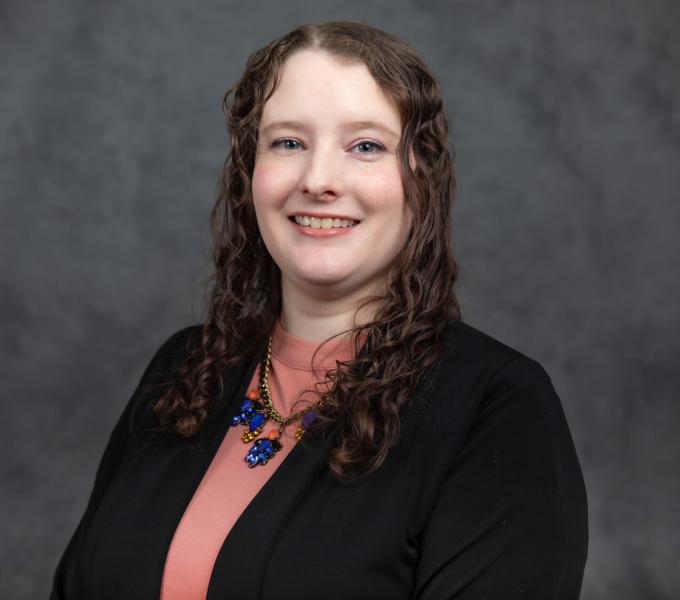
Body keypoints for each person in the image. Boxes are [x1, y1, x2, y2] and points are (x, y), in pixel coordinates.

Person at [50, 20, 588, 600]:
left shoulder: (496, 405)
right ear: (248, 175)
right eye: (288, 142)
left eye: (365, 146)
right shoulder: (185, 368)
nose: (318, 180)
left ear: (420, 181)